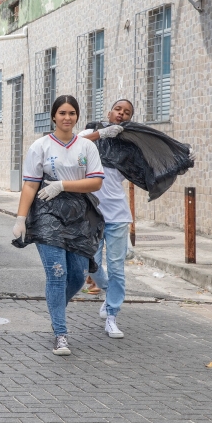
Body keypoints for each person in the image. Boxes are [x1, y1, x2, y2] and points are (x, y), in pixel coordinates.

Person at [13, 95, 105, 356]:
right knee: (57, 273)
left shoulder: (86, 147)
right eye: (62, 113)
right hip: (47, 212)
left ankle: (55, 309)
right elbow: (30, 184)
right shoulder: (40, 146)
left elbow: (96, 181)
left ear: (77, 117)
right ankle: (60, 333)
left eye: (72, 113)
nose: (67, 118)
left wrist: (63, 184)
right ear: (54, 116)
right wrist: (21, 218)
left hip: (79, 214)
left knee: (77, 276)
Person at [78, 99, 135, 338]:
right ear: (109, 112)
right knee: (89, 262)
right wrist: (102, 133)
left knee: (116, 268)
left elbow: (148, 165)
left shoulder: (128, 145)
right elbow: (72, 144)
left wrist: (179, 157)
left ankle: (112, 315)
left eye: (127, 112)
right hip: (92, 213)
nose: (121, 114)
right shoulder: (89, 133)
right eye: (118, 109)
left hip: (118, 215)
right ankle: (109, 290)